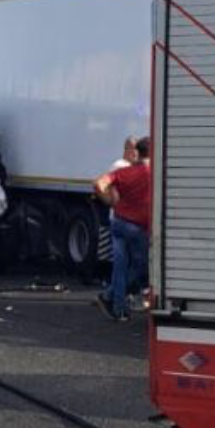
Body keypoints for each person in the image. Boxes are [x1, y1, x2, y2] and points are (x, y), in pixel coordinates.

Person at [93, 136, 151, 322]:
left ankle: (118, 308)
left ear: (137, 152)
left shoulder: (123, 172)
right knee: (142, 268)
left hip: (118, 222)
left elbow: (98, 184)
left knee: (120, 267)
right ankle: (110, 296)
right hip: (138, 227)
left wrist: (110, 202)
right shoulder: (151, 172)